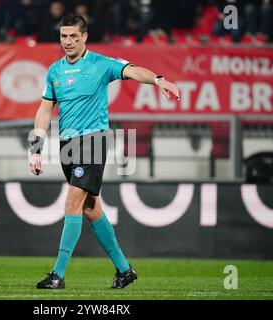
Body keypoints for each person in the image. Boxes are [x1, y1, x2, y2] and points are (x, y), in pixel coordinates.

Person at [29, 14, 179, 289]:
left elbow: (133, 70)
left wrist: (158, 80)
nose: (68, 41)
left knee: (73, 203)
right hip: (67, 145)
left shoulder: (101, 64)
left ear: (85, 37)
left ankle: (57, 275)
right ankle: (124, 270)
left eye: (74, 36)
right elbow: (44, 110)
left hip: (93, 142)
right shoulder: (54, 71)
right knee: (91, 208)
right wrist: (36, 149)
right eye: (64, 36)